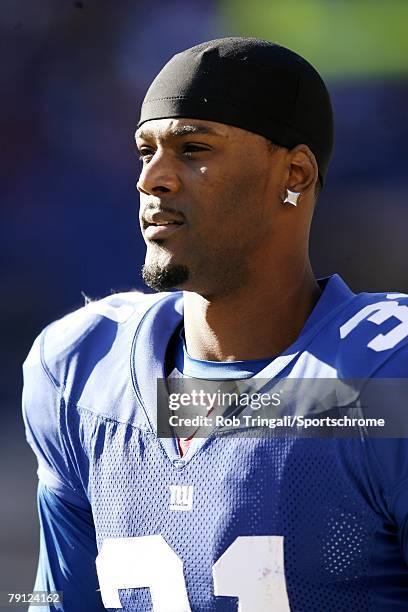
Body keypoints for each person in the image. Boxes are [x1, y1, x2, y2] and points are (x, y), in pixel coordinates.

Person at [22, 37, 408, 611]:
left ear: (295, 174)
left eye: (193, 148)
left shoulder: (382, 378)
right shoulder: (79, 369)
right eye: (144, 151)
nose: (153, 179)